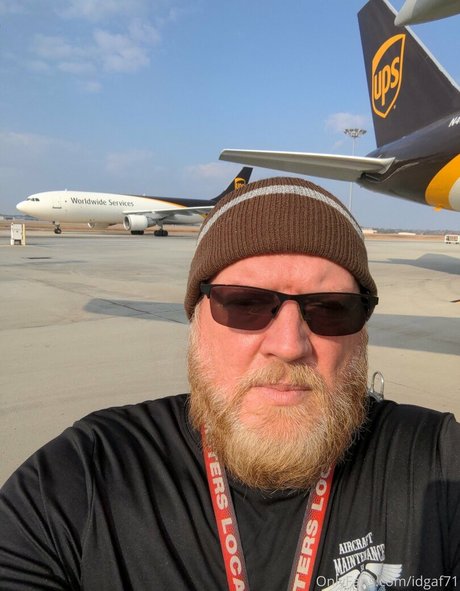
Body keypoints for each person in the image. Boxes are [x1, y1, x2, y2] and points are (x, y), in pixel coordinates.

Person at [0, 177, 459, 590]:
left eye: (331, 308)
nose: (288, 345)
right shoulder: (83, 476)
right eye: (244, 304)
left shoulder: (441, 465)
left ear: (362, 333)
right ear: (195, 321)